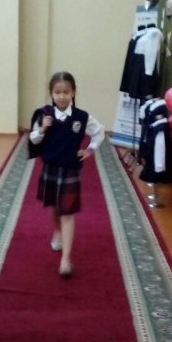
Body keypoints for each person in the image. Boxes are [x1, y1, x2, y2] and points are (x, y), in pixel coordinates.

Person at [28, 71, 104, 278]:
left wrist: (90, 149)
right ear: (51, 94)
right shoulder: (43, 114)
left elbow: (99, 132)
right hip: (50, 168)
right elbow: (33, 139)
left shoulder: (82, 117)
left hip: (70, 169)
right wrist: (42, 129)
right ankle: (57, 231)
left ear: (73, 93)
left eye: (66, 92)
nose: (61, 96)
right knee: (54, 207)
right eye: (57, 92)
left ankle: (66, 259)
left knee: (68, 212)